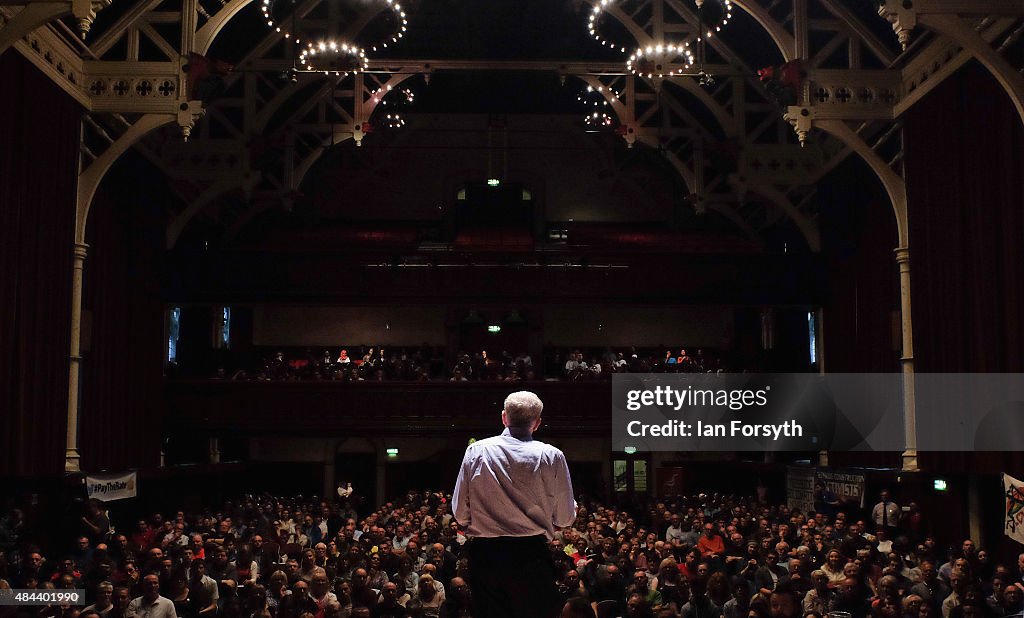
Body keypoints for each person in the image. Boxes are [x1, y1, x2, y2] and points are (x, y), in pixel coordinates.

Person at [451, 391, 577, 618]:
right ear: (537, 423)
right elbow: (566, 518)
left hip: (486, 554)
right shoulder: (552, 455)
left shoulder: (476, 450)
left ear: (503, 418)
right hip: (531, 555)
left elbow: (460, 512)